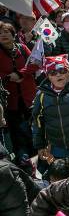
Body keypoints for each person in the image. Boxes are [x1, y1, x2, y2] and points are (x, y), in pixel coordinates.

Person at [0, 21, 37, 160]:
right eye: (0, 33)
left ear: (13, 34)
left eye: (6, 32)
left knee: (33, 126)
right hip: (10, 100)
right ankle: (23, 159)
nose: (3, 35)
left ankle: (36, 154)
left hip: (28, 96)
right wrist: (8, 77)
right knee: (16, 131)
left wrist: (21, 74)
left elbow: (35, 63)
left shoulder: (22, 48)